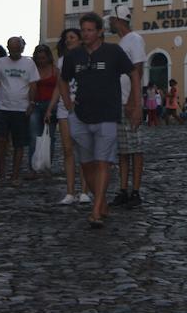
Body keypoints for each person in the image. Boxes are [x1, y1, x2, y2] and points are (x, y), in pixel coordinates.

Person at [58, 12, 139, 228]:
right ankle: (101, 202)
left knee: (103, 162)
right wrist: (67, 102)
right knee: (87, 165)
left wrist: (135, 103)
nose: (85, 34)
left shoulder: (113, 52)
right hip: (81, 115)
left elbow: (134, 73)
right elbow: (63, 79)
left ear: (100, 32)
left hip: (107, 115)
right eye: (83, 30)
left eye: (90, 30)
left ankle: (95, 211)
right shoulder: (74, 56)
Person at [107, 4, 146, 210]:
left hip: (129, 101)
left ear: (118, 20)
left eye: (111, 21)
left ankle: (136, 191)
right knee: (123, 150)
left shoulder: (135, 40)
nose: (110, 24)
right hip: (119, 101)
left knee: (135, 149)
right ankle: (123, 189)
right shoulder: (123, 42)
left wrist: (134, 100)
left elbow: (137, 69)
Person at [47, 28, 89, 205]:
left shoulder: (88, 57)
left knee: (84, 151)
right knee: (68, 150)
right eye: (66, 38)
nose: (68, 40)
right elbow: (59, 86)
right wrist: (50, 107)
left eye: (72, 37)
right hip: (65, 109)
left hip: (84, 109)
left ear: (80, 40)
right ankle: (70, 191)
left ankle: (85, 191)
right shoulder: (62, 61)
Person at [0, 36, 39, 185]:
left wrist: (31, 102)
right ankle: (1, 173)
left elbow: (33, 85)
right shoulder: (1, 63)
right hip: (3, 107)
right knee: (1, 140)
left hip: (21, 108)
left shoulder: (29, 63)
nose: (15, 52)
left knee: (19, 143)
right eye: (12, 49)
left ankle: (15, 175)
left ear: (22, 49)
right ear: (8, 48)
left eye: (17, 49)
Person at [30, 45, 58, 174]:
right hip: (36, 104)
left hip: (50, 105)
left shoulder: (55, 70)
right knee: (34, 136)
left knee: (50, 137)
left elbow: (59, 88)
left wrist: (52, 106)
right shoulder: (32, 69)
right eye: (39, 58)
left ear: (48, 57)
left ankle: (46, 165)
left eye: (43, 58)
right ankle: (34, 166)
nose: (41, 61)